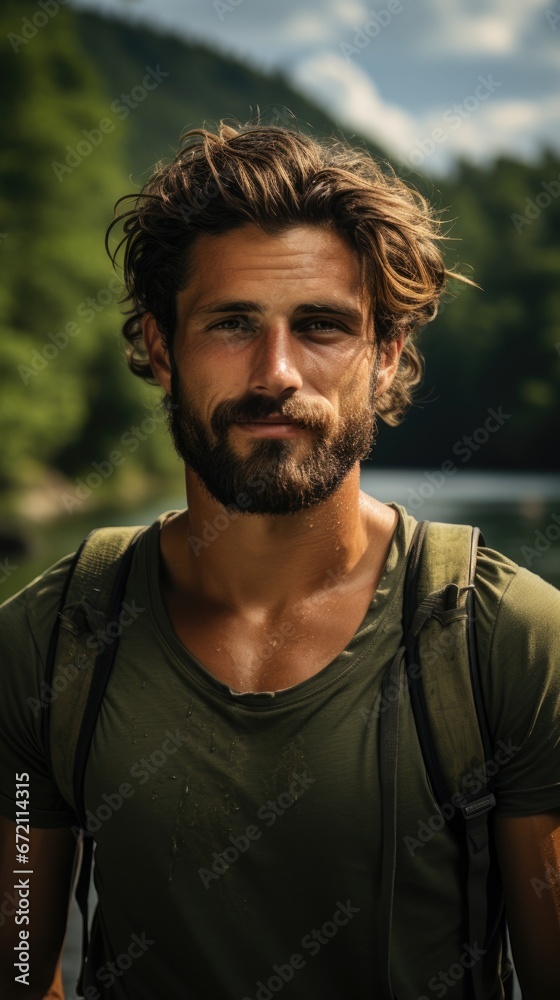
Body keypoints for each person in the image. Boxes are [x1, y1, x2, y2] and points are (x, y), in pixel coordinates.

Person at [0, 122, 559, 1000]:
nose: (277, 373)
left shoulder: (511, 639)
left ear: (386, 356)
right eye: (231, 324)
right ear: (158, 347)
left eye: (323, 326)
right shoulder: (49, 637)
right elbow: (22, 969)